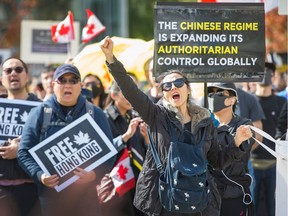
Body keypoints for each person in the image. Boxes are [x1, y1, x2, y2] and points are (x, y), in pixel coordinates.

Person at [100, 36, 253, 216]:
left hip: (199, 201)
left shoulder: (205, 121)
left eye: (179, 83)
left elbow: (216, 161)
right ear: (164, 94)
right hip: (165, 201)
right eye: (167, 86)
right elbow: (130, 90)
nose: (173, 87)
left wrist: (236, 143)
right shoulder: (156, 115)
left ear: (188, 89)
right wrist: (111, 58)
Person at [17, 64, 115, 216]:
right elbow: (23, 152)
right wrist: (40, 175)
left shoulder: (96, 114)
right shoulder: (39, 113)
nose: (68, 85)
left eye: (73, 80)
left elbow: (110, 155)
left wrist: (94, 174)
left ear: (80, 86)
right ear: (54, 85)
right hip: (50, 201)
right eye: (62, 80)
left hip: (86, 200)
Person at [0, 57, 41, 216]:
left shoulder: (42, 108)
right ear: (2, 79)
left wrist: (22, 150)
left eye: (18, 70)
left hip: (31, 188)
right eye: (8, 71)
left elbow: (49, 144)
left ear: (27, 75)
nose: (13, 74)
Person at [207, 82, 254, 216]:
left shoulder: (244, 125)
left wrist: (237, 140)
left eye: (220, 93)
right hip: (207, 196)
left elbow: (243, 146)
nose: (214, 97)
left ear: (232, 100)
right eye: (211, 93)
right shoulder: (204, 125)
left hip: (233, 196)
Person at [101, 81, 148, 216]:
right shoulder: (104, 117)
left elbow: (145, 149)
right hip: (116, 177)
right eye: (126, 94)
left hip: (138, 177)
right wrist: (126, 136)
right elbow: (103, 150)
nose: (131, 98)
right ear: (114, 95)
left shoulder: (136, 115)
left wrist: (146, 139)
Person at [252, 62, 286, 216]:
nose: (265, 76)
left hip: (276, 164)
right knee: (252, 207)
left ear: (273, 77)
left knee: (275, 207)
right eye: (261, 72)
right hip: (251, 163)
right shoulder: (249, 101)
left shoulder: (281, 102)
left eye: (268, 73)